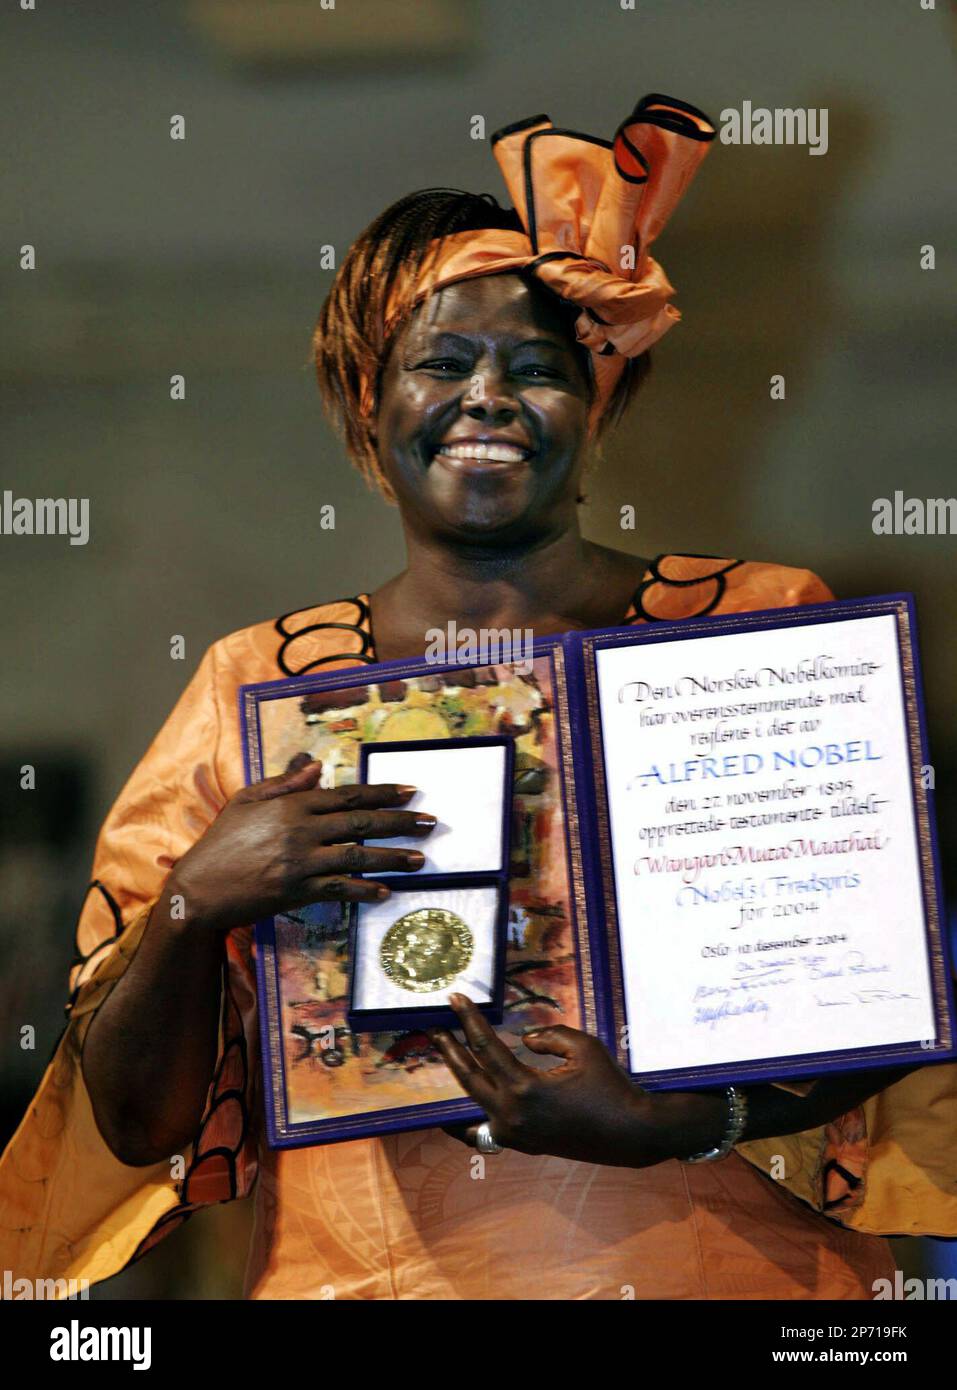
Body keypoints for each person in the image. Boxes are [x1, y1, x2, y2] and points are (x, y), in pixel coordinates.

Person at [2, 96, 955, 1300]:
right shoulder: (258, 685)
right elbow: (138, 1126)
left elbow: (863, 991)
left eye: (540, 369)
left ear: (594, 404)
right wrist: (196, 902)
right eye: (444, 362)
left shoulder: (752, 626)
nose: (490, 396)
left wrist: (682, 1122)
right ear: (369, 401)